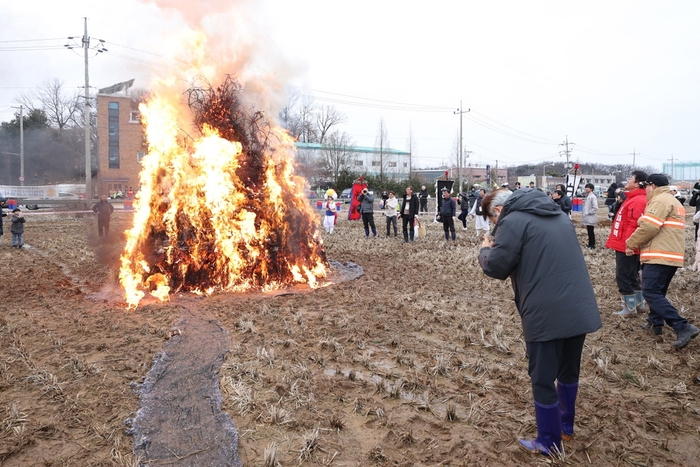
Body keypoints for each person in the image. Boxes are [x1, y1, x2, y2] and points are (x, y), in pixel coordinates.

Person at [478, 188, 601, 456]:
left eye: (492, 220)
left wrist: (485, 250)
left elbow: (496, 267)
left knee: (542, 378)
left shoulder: (512, 221)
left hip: (546, 313)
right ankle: (565, 428)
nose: (495, 225)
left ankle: (549, 441)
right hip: (578, 306)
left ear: (498, 211)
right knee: (569, 371)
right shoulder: (559, 215)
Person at [626, 174, 699, 348]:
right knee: (658, 292)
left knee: (650, 292)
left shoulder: (660, 201)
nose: (646, 191)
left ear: (653, 185)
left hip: (659, 255)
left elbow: (650, 227)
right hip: (670, 256)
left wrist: (631, 243)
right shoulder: (673, 200)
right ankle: (654, 322)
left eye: (647, 187)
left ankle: (682, 326)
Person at [605, 171, 648, 316]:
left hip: (627, 244)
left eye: (631, 178)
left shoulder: (637, 200)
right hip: (625, 242)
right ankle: (638, 304)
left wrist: (630, 245)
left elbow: (633, 224)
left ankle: (629, 308)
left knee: (623, 275)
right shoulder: (633, 198)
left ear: (637, 183)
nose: (627, 180)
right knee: (631, 275)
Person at [582, 183, 599, 249]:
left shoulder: (593, 197)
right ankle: (590, 244)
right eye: (586, 187)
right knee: (589, 231)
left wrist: (588, 213)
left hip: (590, 217)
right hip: (588, 217)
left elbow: (595, 207)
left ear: (591, 189)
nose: (586, 189)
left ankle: (592, 245)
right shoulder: (588, 196)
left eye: (588, 187)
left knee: (591, 231)